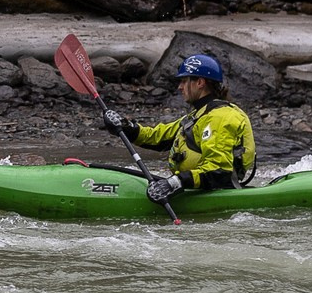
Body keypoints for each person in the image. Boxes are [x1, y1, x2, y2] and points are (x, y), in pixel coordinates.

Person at [104, 51, 255, 203]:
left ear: (200, 83)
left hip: (218, 193)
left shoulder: (221, 117)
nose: (179, 87)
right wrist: (125, 127)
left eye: (184, 81)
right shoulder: (197, 116)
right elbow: (157, 137)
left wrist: (175, 182)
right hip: (194, 189)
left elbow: (218, 171)